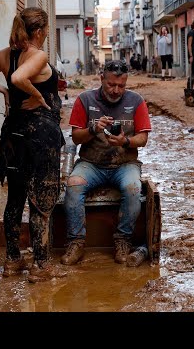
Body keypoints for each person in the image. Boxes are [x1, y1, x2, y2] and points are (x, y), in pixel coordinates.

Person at [0, 6, 67, 283]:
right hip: (38, 137)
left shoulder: (6, 55)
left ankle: (13, 261)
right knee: (41, 198)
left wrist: (4, 91)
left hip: (13, 134)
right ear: (39, 32)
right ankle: (40, 266)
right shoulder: (37, 55)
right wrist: (39, 98)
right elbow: (19, 78)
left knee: (15, 197)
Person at [60, 60, 152, 267]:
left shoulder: (136, 101)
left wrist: (125, 141)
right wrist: (93, 129)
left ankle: (123, 240)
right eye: (111, 85)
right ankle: (76, 242)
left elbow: (143, 139)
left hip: (125, 163)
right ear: (102, 79)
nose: (116, 90)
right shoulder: (85, 99)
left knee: (133, 188)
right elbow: (75, 138)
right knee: (73, 186)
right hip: (91, 163)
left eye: (121, 86)